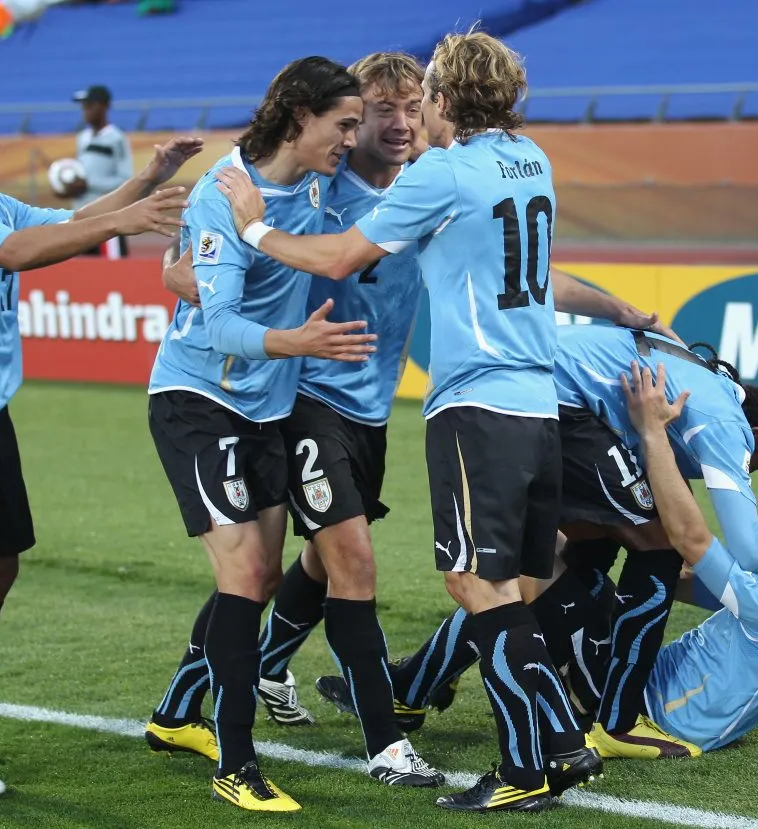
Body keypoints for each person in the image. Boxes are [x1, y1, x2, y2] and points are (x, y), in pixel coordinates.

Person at [214, 32, 604, 813]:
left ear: (446, 99)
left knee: (474, 582)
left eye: (422, 97)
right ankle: (559, 744)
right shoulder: (532, 159)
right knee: (505, 586)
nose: (413, 113)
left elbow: (340, 258)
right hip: (536, 403)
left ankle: (529, 761)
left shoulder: (441, 173)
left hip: (478, 404)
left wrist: (253, 228)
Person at [0, 92, 199, 798]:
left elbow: (72, 224)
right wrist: (126, 220)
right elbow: (19, 253)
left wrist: (147, 179)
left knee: (0, 570)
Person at [361, 325, 758, 758]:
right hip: (541, 407)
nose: (754, 526)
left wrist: (653, 433)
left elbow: (692, 541)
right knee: (585, 556)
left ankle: (601, 720)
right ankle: (420, 683)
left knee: (540, 570)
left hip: (656, 707)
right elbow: (696, 581)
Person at [144, 57, 381, 813]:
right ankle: (236, 762)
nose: (352, 139)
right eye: (343, 124)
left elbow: (381, 201)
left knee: (260, 578)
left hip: (268, 408)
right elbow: (218, 326)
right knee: (246, 574)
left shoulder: (320, 180)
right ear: (300, 116)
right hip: (199, 398)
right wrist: (297, 342)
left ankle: (175, 714)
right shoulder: (223, 192)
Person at [620, 361, 758, 752]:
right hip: (665, 691)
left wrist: (653, 432)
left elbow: (691, 539)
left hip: (662, 715)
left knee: (560, 580)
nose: (753, 534)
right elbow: (682, 580)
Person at [71, 84, 134, 257]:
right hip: (81, 219)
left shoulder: (117, 138)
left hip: (107, 218)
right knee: (83, 268)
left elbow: (126, 179)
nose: (85, 111)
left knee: (113, 267)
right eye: (83, 106)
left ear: (104, 106)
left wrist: (88, 184)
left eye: (89, 105)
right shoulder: (82, 138)